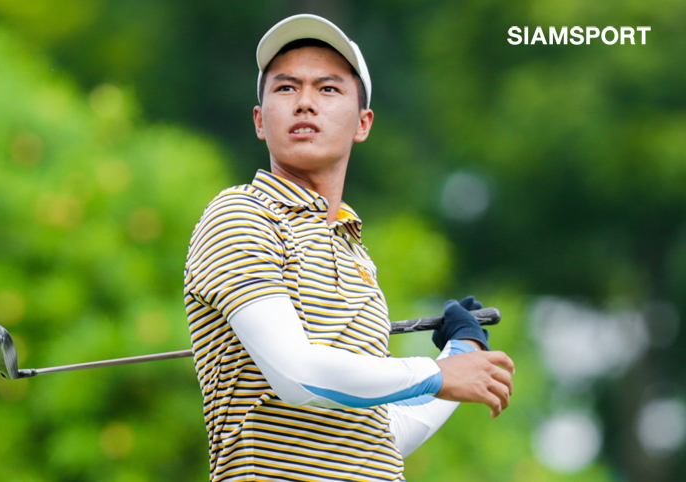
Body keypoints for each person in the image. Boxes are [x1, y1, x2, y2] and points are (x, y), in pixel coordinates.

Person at [183, 14, 515, 482]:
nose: (304, 103)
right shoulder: (240, 215)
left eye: (328, 89)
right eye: (285, 88)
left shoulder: (355, 253)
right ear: (260, 121)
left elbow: (376, 437)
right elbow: (300, 378)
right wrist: (437, 376)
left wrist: (457, 357)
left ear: (363, 123)